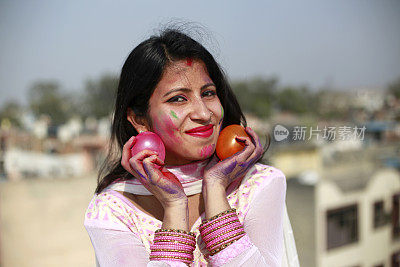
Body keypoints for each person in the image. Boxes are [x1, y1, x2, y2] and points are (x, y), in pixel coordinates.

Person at [84, 28, 299, 266]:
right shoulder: (112, 209)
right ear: (139, 119)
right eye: (178, 98)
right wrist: (174, 207)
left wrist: (216, 187)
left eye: (208, 93)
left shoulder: (258, 183)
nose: (205, 113)